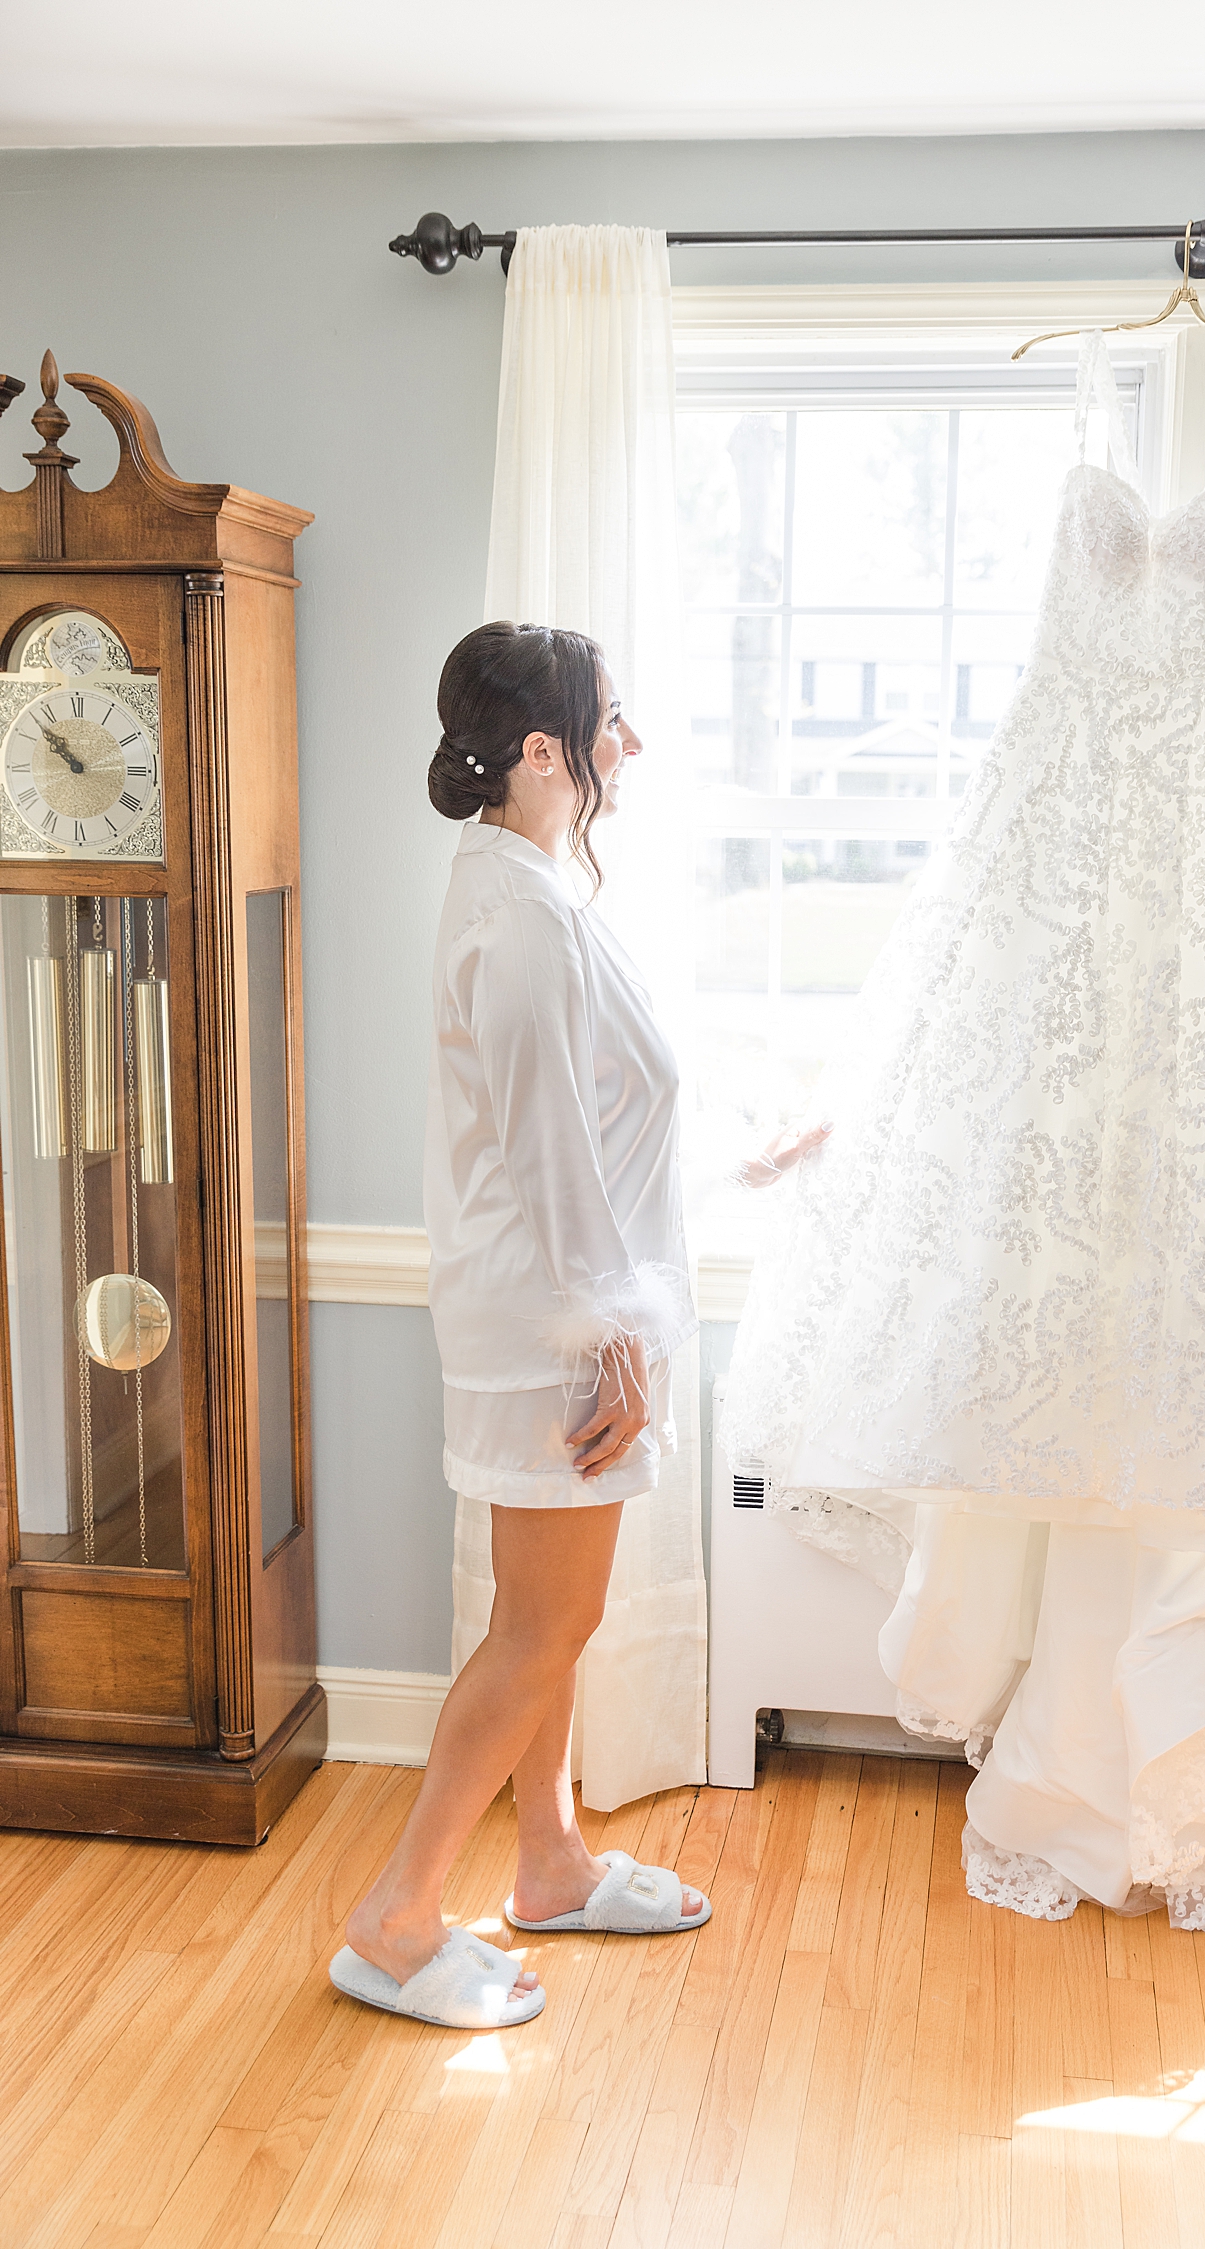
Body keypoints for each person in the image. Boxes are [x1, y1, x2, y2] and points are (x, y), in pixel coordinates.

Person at [330, 621, 824, 2032]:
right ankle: (397, 1914)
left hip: (542, 1311)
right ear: (544, 748)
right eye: (612, 722)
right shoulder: (526, 917)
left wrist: (744, 1159)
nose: (633, 745)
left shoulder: (521, 885)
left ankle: (547, 1862)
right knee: (551, 1625)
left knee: (534, 1620)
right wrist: (612, 1342)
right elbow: (551, 1155)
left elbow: (594, 1123)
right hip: (553, 1329)